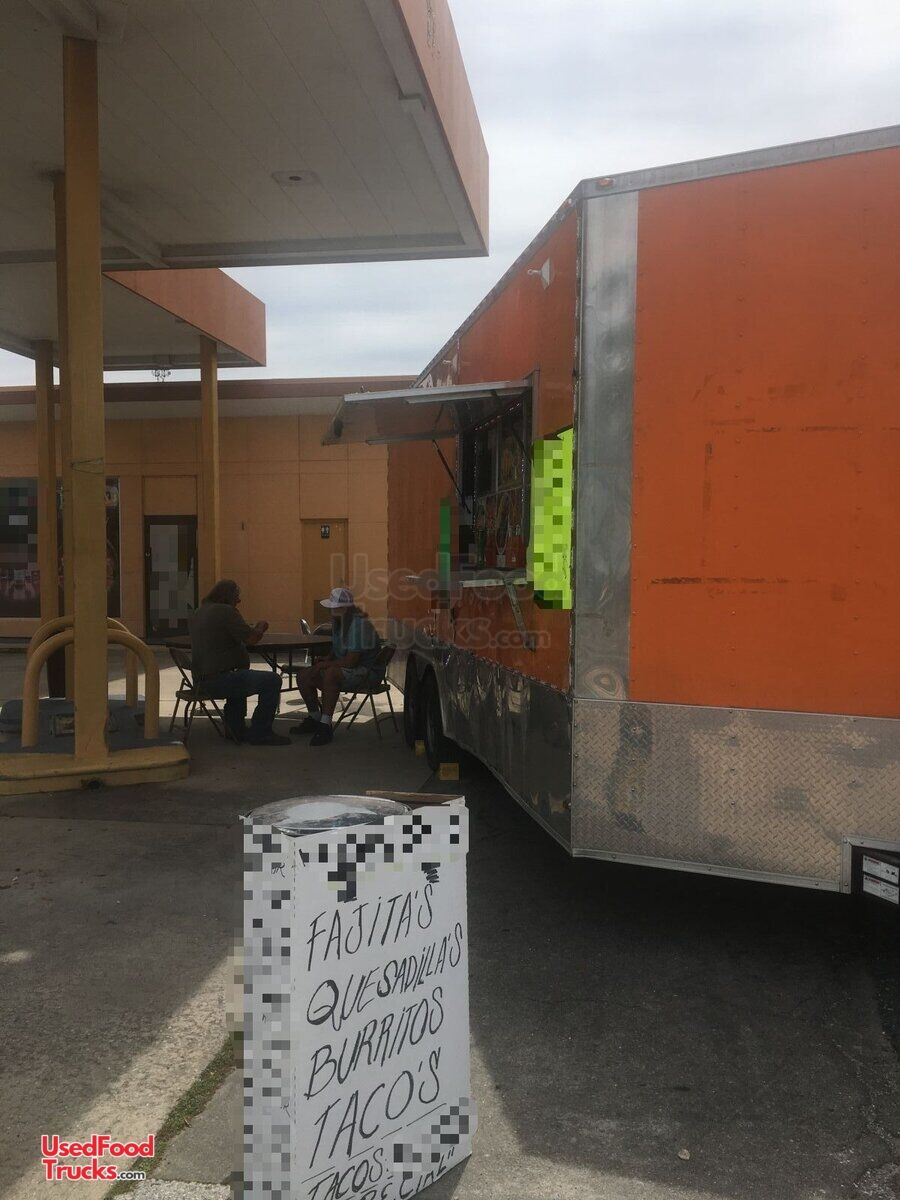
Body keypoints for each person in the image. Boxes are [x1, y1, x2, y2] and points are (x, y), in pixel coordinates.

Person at [188, 579, 290, 746]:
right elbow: (251, 638)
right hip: (219, 680)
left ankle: (235, 728)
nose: (239, 600)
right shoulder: (226, 611)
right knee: (272, 680)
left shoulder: (199, 611)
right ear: (227, 596)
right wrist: (261, 626)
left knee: (240, 676)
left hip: (201, 681)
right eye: (237, 596)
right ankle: (261, 732)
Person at [291, 587, 382, 746]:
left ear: (345, 609)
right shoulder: (339, 623)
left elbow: (352, 661)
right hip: (351, 669)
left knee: (331, 674)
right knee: (303, 675)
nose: (331, 611)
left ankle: (325, 725)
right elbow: (338, 648)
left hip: (367, 672)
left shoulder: (359, 626)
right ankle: (314, 718)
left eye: (334, 608)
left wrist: (326, 664)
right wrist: (328, 658)